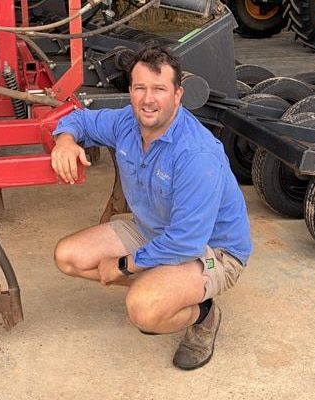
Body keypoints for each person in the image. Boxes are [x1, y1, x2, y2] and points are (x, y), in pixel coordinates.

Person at [50, 43, 252, 370]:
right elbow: (82, 120)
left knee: (144, 311)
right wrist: (65, 140)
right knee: (68, 257)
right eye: (140, 88)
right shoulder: (127, 123)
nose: (148, 99)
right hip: (152, 230)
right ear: (130, 91)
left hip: (212, 251)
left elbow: (186, 241)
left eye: (159, 89)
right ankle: (164, 283)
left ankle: (203, 313)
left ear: (177, 94)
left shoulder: (196, 155)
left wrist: (125, 265)